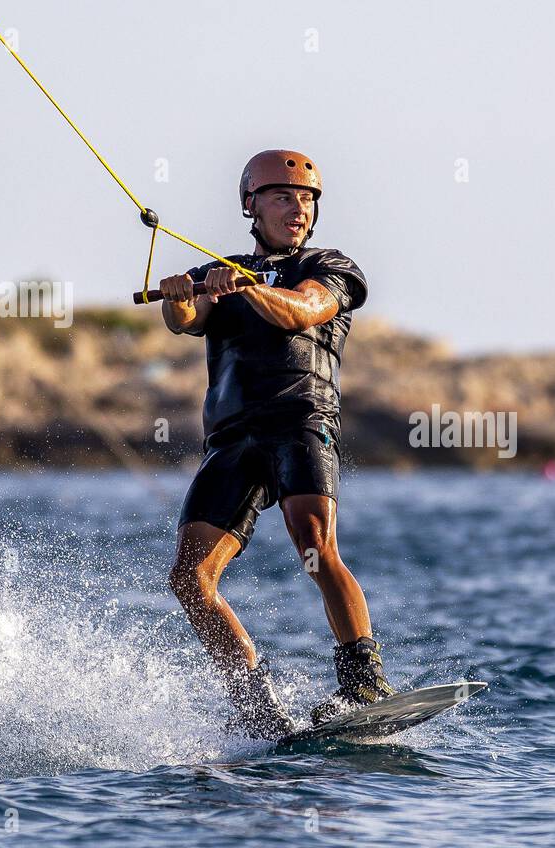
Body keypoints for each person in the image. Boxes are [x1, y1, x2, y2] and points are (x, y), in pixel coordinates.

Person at [159, 150, 395, 738]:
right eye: (283, 196)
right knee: (190, 579)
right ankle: (255, 703)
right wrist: (178, 294)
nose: (298, 208)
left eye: (307, 199)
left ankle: (363, 680)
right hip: (235, 438)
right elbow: (187, 318)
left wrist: (247, 287)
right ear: (251, 205)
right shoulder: (222, 267)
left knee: (315, 546)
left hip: (300, 423)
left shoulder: (332, 267)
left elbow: (303, 312)